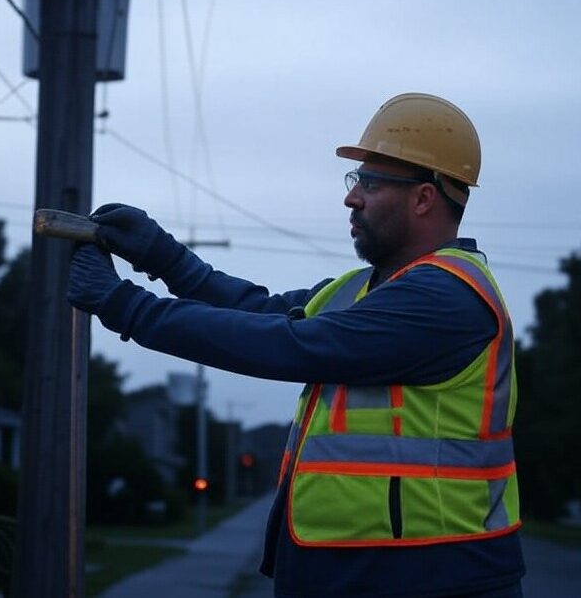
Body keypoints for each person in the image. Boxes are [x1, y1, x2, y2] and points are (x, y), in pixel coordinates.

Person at [67, 92, 525, 597]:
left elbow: (287, 345)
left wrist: (125, 305)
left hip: (434, 577)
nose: (352, 198)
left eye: (371, 182)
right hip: (360, 574)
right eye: (356, 180)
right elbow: (258, 311)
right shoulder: (363, 290)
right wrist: (165, 258)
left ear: (423, 198)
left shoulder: (446, 298)